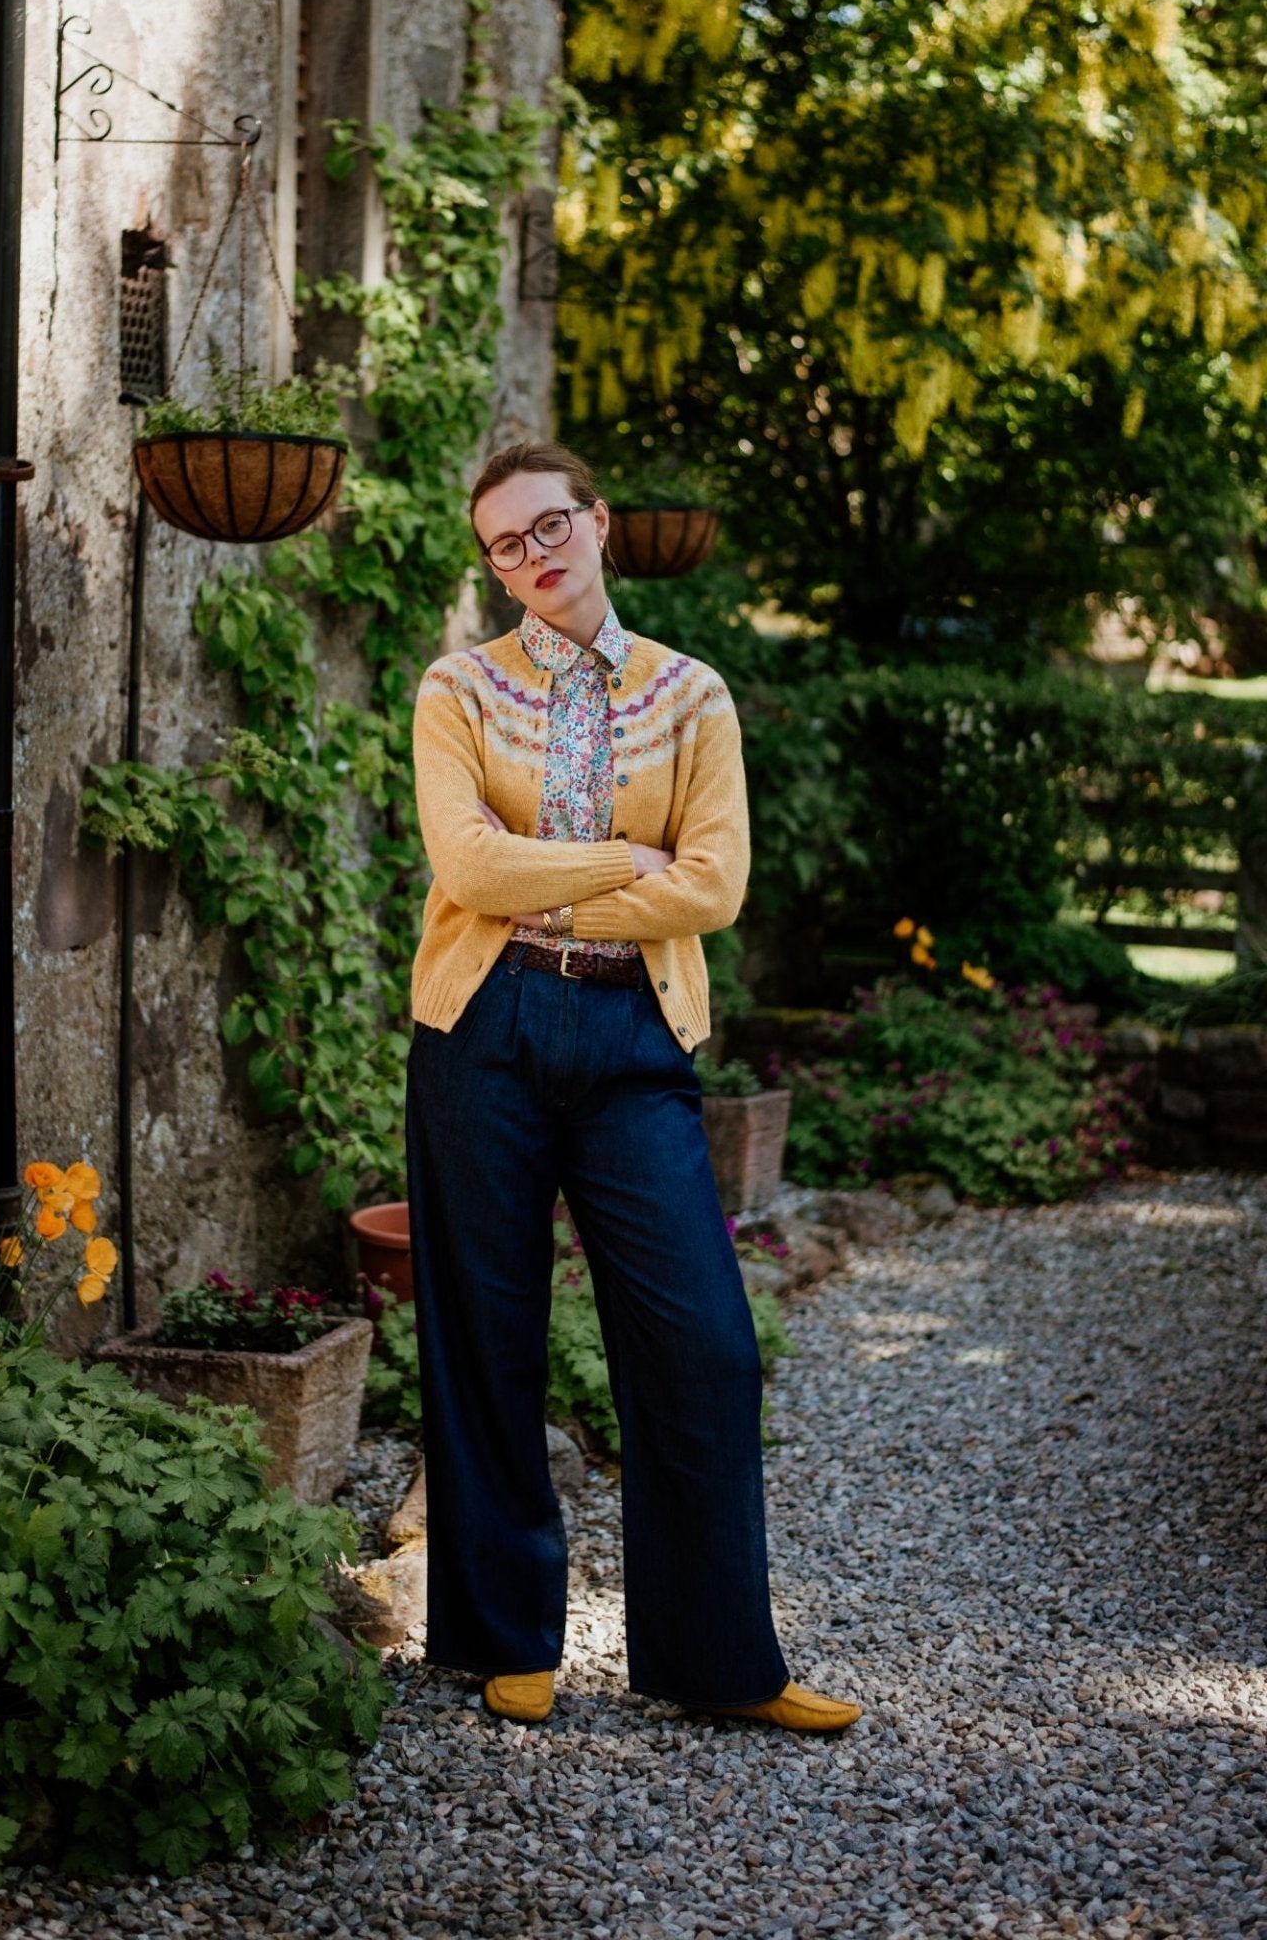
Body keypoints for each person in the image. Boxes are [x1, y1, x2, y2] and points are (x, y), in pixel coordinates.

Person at [402, 439, 862, 1732]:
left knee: (704, 1345)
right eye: (506, 546)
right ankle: (506, 1639)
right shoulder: (459, 689)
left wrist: (551, 858)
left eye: (551, 529)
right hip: (480, 1026)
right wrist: (622, 856)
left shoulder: (693, 696)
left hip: (634, 1043)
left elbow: (715, 888)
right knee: (484, 1337)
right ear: (492, 565)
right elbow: (470, 871)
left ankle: (722, 1662)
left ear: (598, 526)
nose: (534, 560)